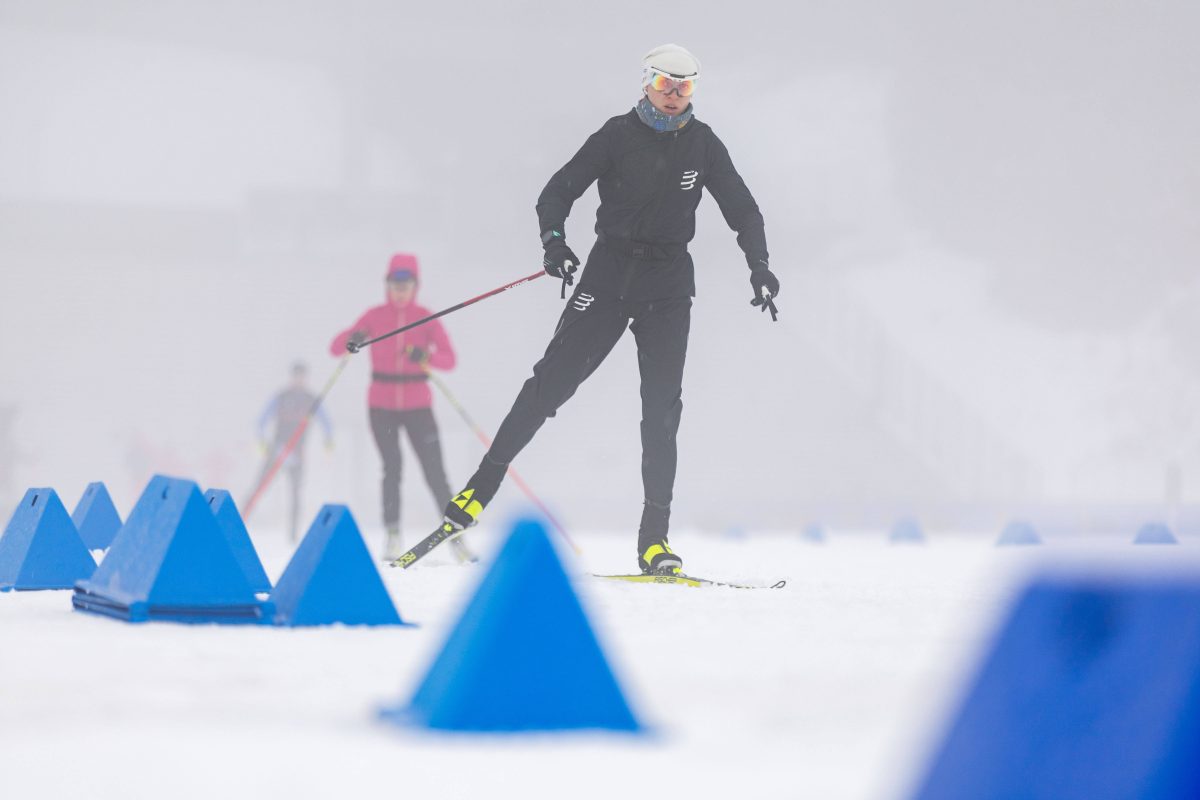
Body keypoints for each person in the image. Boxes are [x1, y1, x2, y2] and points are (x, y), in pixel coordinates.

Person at [438, 44, 779, 575]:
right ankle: (478, 491)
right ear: (646, 82)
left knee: (662, 411)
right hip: (609, 273)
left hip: (667, 285)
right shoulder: (616, 136)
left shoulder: (704, 145)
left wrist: (759, 265)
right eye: (666, 83)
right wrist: (554, 243)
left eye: (685, 87)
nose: (674, 95)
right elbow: (556, 192)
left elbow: (743, 208)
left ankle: (654, 541)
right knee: (550, 385)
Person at [330, 254, 462, 561]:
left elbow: (449, 359)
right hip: (382, 405)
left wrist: (423, 357)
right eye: (394, 284)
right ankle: (392, 533)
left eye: (406, 284)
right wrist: (355, 337)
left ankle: (454, 533)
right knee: (392, 468)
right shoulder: (375, 316)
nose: (400, 290)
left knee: (435, 471)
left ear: (416, 285)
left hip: (418, 405)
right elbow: (337, 347)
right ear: (387, 285)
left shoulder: (425, 316)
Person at [252, 362, 333, 542]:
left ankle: (293, 534)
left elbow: (326, 423)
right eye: (296, 376)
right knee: (259, 486)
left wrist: (328, 443)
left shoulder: (311, 399)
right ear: (292, 377)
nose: (299, 380)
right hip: (277, 450)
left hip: (298, 453)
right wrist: (262, 444)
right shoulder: (281, 396)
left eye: (302, 376)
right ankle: (242, 517)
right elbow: (262, 420)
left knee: (295, 494)